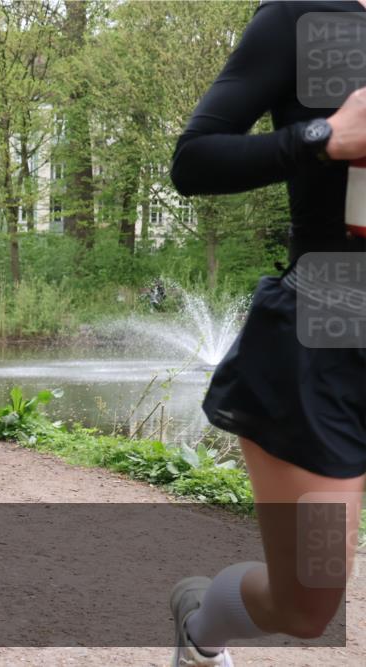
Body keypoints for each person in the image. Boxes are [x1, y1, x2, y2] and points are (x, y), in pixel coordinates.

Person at [168, 1, 366, 665]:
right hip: (332, 344)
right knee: (308, 602)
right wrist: (324, 138)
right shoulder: (306, 22)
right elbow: (194, 159)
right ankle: (202, 627)